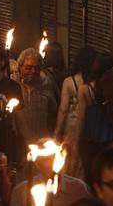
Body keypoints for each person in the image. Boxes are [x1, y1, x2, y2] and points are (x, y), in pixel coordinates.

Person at [55, 46, 98, 178]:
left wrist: (58, 130)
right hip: (91, 124)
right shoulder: (97, 84)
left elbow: (63, 110)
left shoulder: (69, 82)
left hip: (72, 122)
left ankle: (69, 182)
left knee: (69, 156)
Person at [10, 139, 91, 206]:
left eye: (55, 157)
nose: (53, 163)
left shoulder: (79, 188)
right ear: (37, 164)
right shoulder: (21, 191)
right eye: (47, 159)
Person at [17, 48, 58, 144]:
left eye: (36, 68)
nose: (33, 71)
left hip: (41, 140)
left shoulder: (47, 85)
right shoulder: (14, 84)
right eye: (28, 67)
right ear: (20, 67)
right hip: (18, 141)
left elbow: (53, 112)